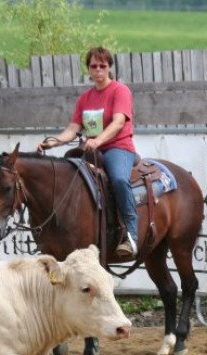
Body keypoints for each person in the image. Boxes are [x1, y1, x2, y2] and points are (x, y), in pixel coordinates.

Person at [37, 46, 139, 258]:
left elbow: (119, 122)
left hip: (118, 148)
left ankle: (131, 233)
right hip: (91, 150)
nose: (98, 70)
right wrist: (53, 142)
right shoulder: (85, 98)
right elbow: (73, 129)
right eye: (94, 66)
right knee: (68, 178)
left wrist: (99, 140)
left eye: (103, 65)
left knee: (119, 180)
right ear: (88, 69)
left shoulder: (120, 91)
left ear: (109, 67)